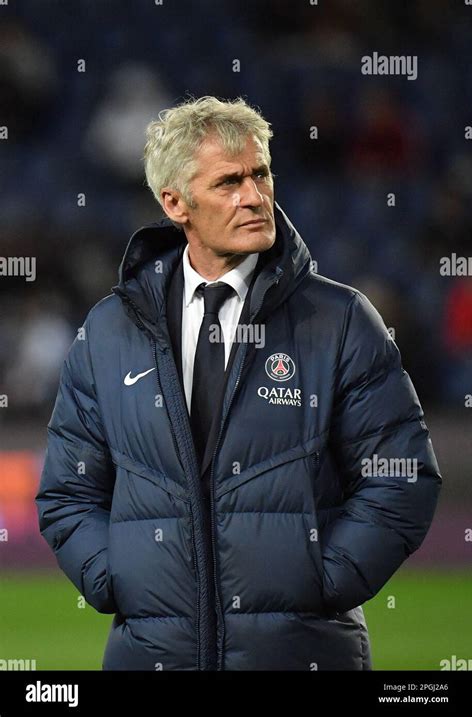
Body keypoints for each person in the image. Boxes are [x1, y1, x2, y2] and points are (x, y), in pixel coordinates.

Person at [35, 96, 442, 671]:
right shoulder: (109, 330)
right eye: (229, 182)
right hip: (152, 656)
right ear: (175, 203)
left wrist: (323, 582)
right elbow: (67, 493)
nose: (253, 196)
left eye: (261, 174)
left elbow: (402, 476)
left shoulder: (340, 320)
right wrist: (117, 579)